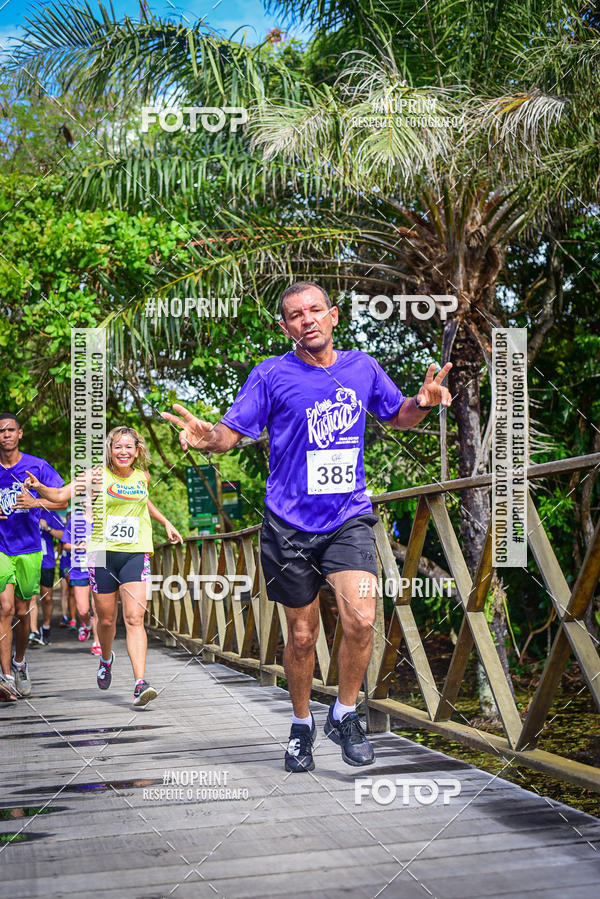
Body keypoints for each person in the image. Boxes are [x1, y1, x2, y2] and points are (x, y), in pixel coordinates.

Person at [162, 281, 452, 772]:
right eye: (296, 315)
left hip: (348, 518)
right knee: (301, 636)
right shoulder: (270, 374)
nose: (307, 319)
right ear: (285, 327)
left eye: (315, 310)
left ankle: (344, 713)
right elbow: (230, 435)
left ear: (334, 316)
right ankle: (301, 726)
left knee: (361, 618)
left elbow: (399, 415)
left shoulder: (362, 367)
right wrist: (207, 436)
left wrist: (422, 402)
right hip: (288, 525)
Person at [24, 425, 183, 707]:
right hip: (101, 554)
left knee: (134, 618)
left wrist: (166, 522)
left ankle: (139, 683)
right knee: (107, 619)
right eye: (117, 447)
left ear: (137, 451)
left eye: (128, 447)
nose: (123, 452)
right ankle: (106, 659)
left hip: (135, 552)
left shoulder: (142, 477)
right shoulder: (97, 476)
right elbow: (61, 496)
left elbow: (145, 503)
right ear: (110, 449)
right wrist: (40, 489)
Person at [0, 413, 67, 701]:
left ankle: (19, 663)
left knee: (23, 611)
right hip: (1, 548)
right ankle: (5, 677)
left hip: (29, 548)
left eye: (10, 430)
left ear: (20, 433)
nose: (5, 435)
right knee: (4, 608)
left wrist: (35, 500)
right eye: (0, 431)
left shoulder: (37, 466)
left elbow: (62, 498)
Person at [28, 511, 64, 645]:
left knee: (47, 598)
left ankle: (46, 626)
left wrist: (48, 528)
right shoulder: (24, 512)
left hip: (46, 561)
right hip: (29, 560)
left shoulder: (51, 514)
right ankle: (34, 631)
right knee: (31, 597)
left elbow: (63, 535)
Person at [60, 510, 93, 642]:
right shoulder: (74, 520)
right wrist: (78, 547)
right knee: (83, 610)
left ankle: (97, 643)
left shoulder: (104, 517)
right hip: (79, 568)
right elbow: (65, 545)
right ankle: (88, 624)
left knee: (98, 609)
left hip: (99, 566)